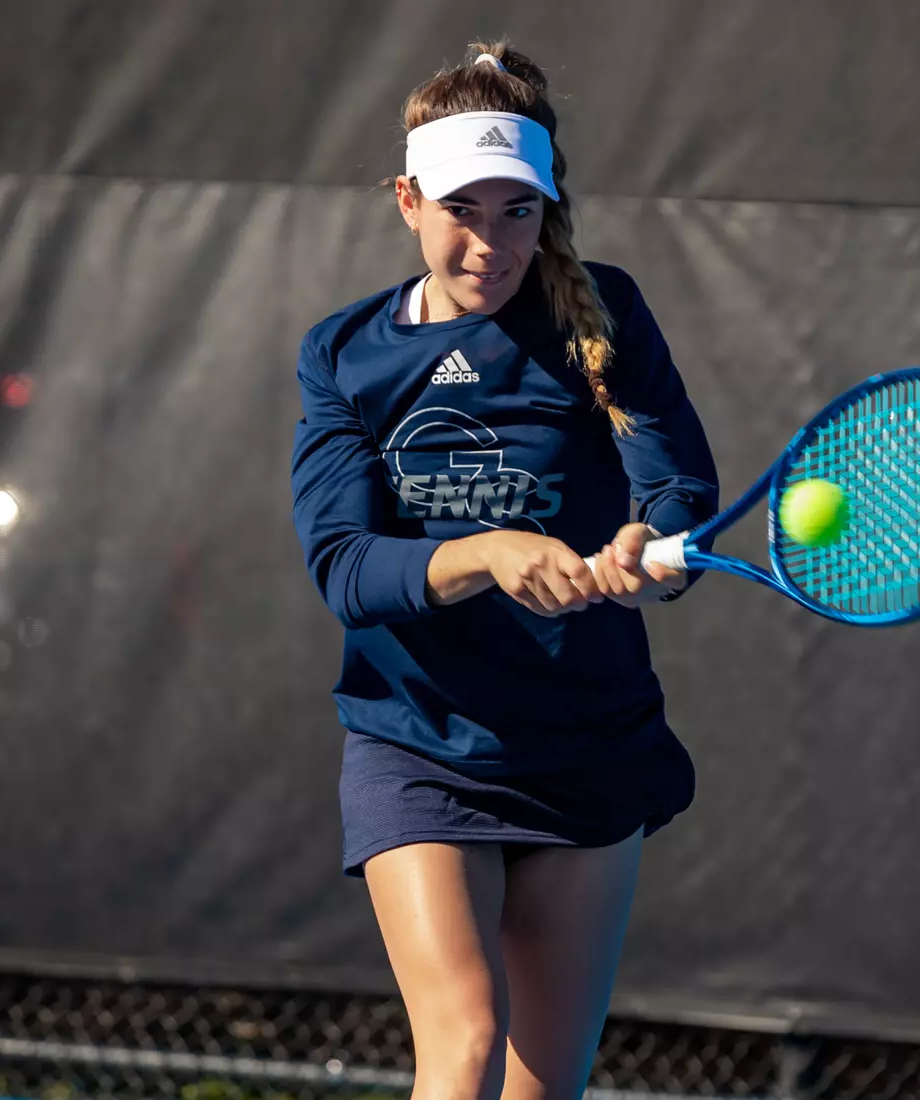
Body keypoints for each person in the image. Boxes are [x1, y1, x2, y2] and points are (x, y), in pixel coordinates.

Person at [288, 40, 720, 1100]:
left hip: (588, 740)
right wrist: (488, 551)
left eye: (517, 210)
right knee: (468, 1042)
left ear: (548, 206)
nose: (490, 240)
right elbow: (345, 567)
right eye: (462, 208)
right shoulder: (344, 353)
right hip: (418, 741)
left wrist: (645, 556)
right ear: (408, 199)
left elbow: (679, 497)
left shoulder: (600, 314)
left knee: (540, 1088)